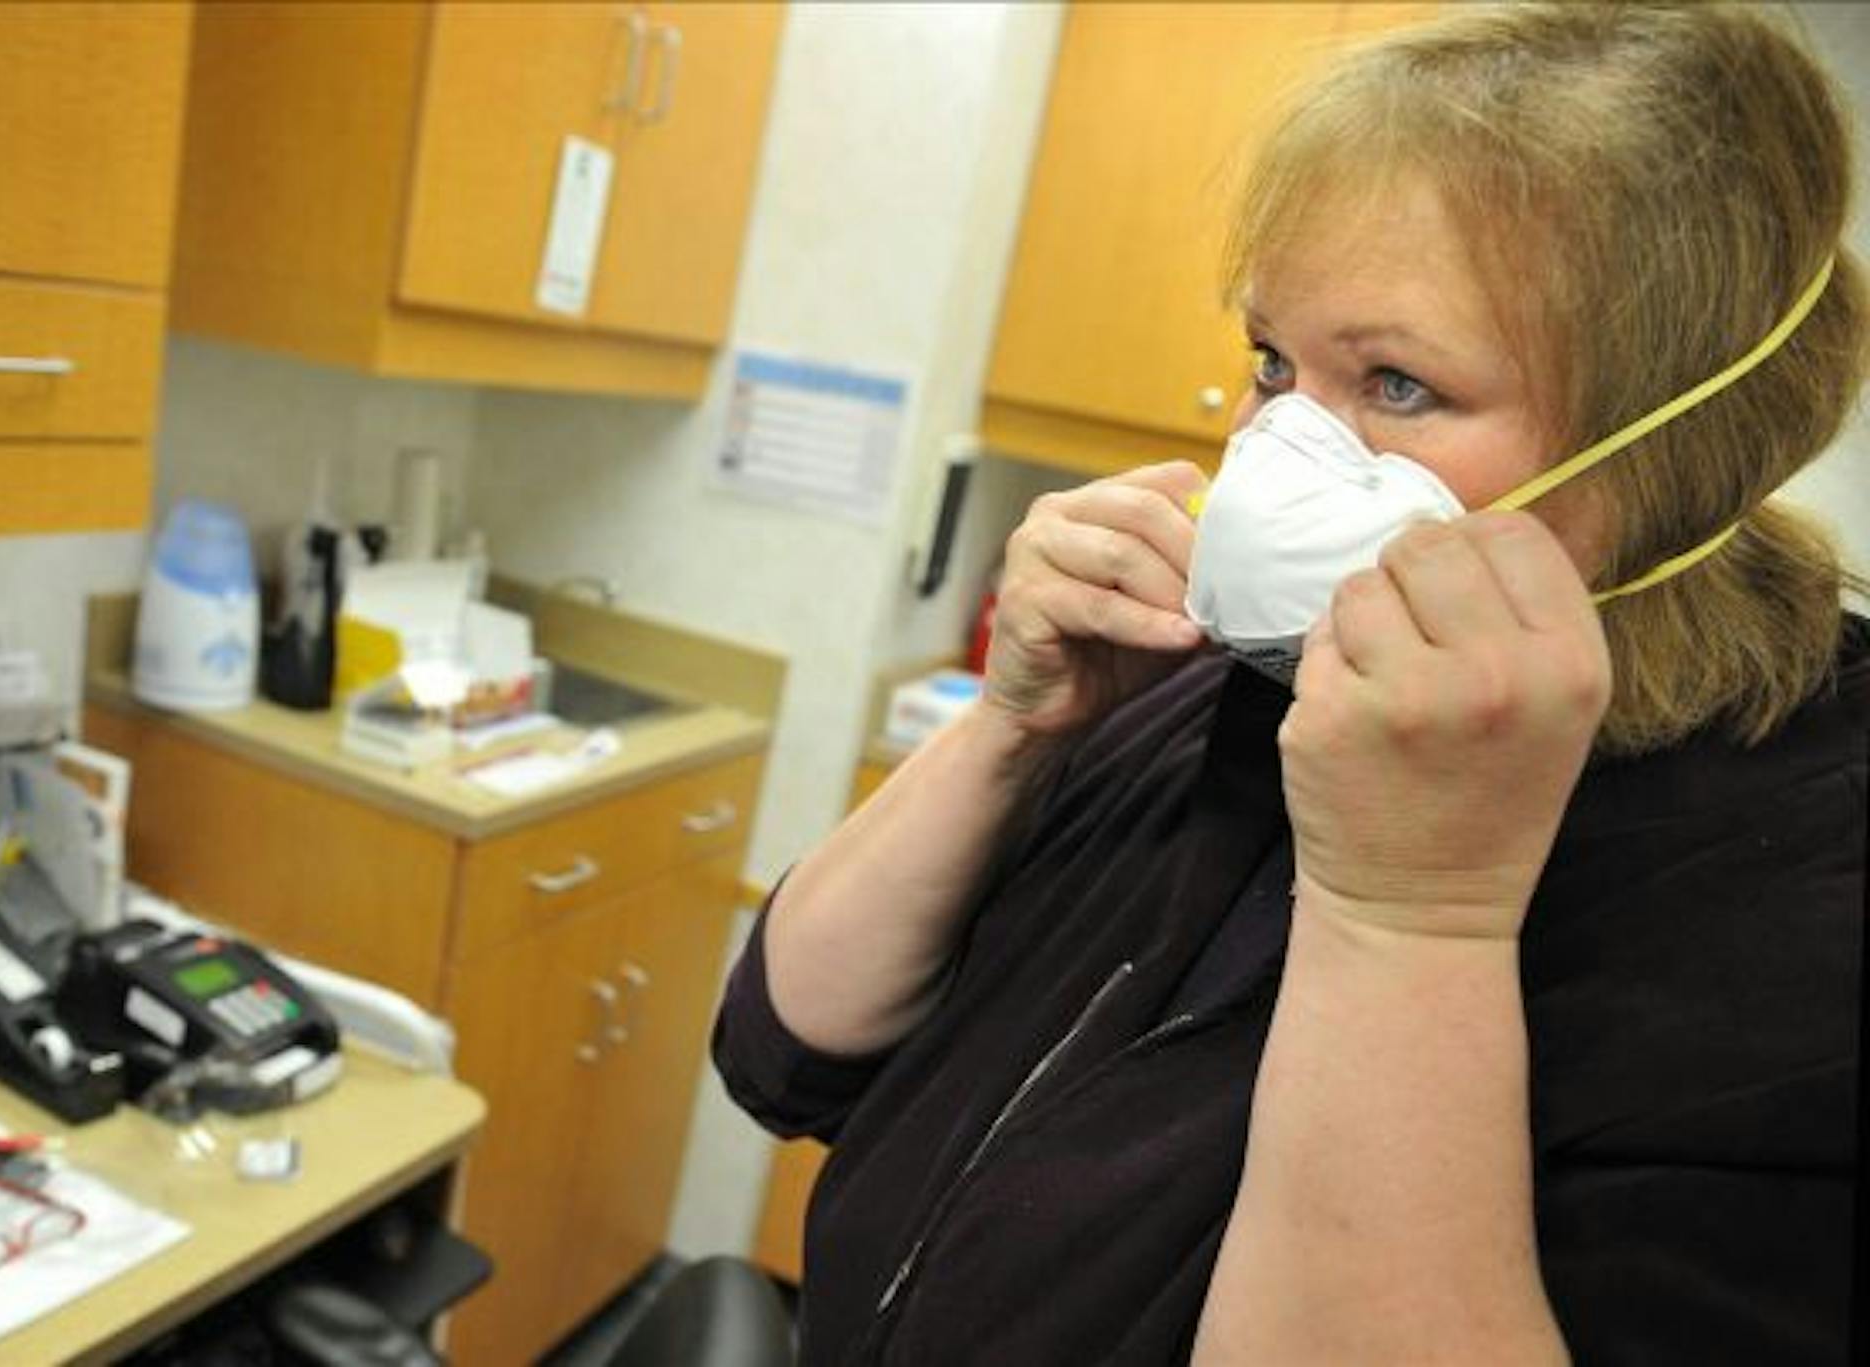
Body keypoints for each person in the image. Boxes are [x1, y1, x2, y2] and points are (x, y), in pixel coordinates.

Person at [713, 4, 1866, 1363]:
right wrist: (1014, 730)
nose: (1275, 449)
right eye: (1274, 362)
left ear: (1683, 442)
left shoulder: (1802, 908)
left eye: (1395, 382)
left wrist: (1412, 920)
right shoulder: (1232, 676)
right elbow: (787, 1043)